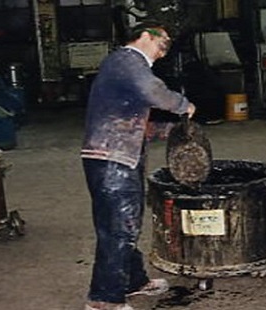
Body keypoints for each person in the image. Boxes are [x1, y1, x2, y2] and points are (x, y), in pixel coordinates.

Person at [81, 20, 196, 310]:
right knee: (119, 228)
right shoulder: (128, 61)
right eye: (163, 43)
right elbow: (153, 92)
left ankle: (133, 281)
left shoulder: (123, 67)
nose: (164, 52)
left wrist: (170, 132)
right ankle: (104, 300)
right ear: (145, 35)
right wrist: (183, 104)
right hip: (112, 161)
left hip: (116, 157)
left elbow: (131, 119)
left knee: (122, 225)